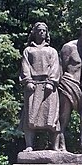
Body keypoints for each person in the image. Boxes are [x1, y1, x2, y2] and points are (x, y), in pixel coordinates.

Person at [18, 21, 60, 151]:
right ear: (34, 33)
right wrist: (28, 81)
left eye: (44, 30)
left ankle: (55, 146)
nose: (41, 32)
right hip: (33, 87)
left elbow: (55, 66)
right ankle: (29, 145)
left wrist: (52, 82)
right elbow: (25, 66)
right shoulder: (28, 50)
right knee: (30, 117)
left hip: (49, 88)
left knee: (52, 117)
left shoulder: (51, 51)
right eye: (39, 30)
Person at [58, 24, 82, 151]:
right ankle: (60, 145)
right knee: (64, 116)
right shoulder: (69, 47)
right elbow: (61, 68)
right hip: (68, 84)